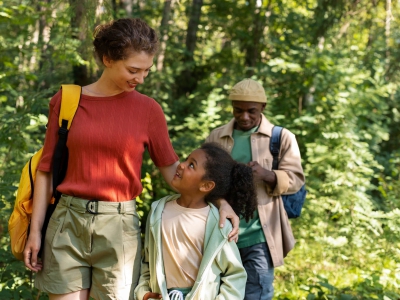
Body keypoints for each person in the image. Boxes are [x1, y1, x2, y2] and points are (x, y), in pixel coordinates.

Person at [23, 18, 238, 300]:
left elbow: (174, 171)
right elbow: (46, 170)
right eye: (133, 70)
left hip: (119, 228)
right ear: (107, 59)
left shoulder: (149, 110)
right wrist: (35, 231)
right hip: (66, 223)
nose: (141, 78)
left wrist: (220, 201)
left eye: (146, 70)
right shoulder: (66, 100)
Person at [206, 78, 305, 300]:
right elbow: (204, 178)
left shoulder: (281, 138)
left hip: (259, 235)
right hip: (223, 233)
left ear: (263, 107)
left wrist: (267, 175)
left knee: (257, 293)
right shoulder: (217, 137)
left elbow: (296, 179)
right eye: (237, 110)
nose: (244, 117)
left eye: (251, 111)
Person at [135, 142, 257, 300]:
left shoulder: (218, 224)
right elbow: (148, 261)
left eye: (191, 165)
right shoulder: (158, 211)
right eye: (186, 160)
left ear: (206, 185)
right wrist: (143, 292)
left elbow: (235, 275)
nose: (181, 165)